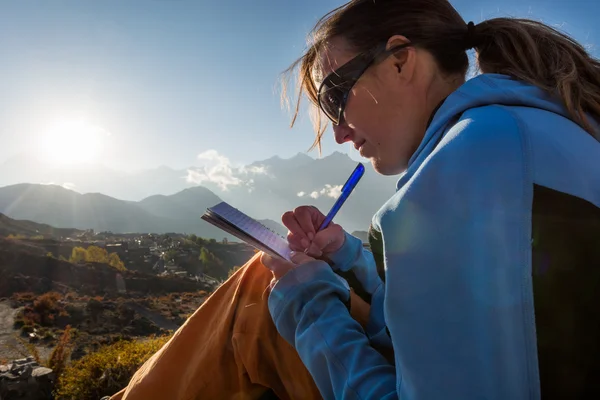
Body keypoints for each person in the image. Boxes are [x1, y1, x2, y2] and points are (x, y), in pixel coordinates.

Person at [111, 0, 600, 399]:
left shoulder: (468, 165)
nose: (341, 132)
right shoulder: (533, 129)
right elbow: (482, 313)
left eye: (333, 96)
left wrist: (307, 303)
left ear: (401, 59)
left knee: (265, 288)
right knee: (276, 274)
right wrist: (348, 256)